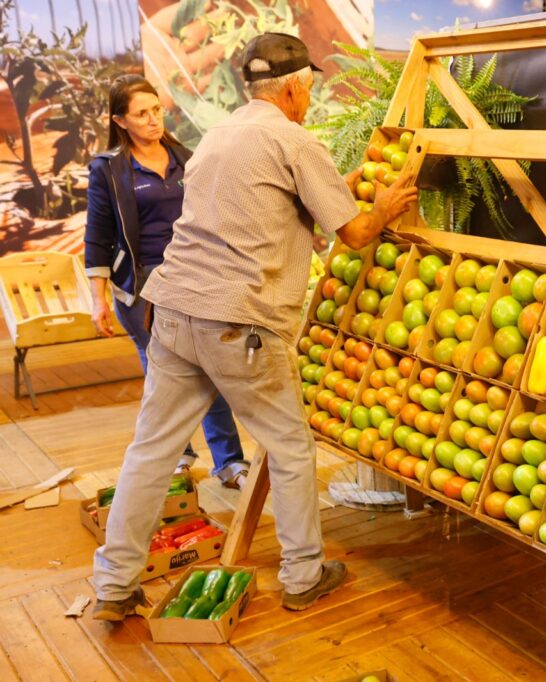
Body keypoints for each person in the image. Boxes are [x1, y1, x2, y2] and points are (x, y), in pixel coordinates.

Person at [91, 33, 418, 620]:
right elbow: (357, 234)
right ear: (294, 87)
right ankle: (303, 574)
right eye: (310, 88)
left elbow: (266, 206)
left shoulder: (218, 135)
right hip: (238, 320)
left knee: (150, 452)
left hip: (173, 310)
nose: (311, 99)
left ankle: (113, 587)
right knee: (290, 448)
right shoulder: (293, 139)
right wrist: (387, 206)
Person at [84, 75, 249, 489]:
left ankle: (229, 462)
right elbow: (97, 234)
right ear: (120, 121)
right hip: (139, 287)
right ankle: (178, 454)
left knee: (207, 370)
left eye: (156, 109)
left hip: (193, 278)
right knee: (162, 375)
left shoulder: (187, 157)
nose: (153, 119)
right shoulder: (109, 169)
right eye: (141, 114)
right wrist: (98, 299)